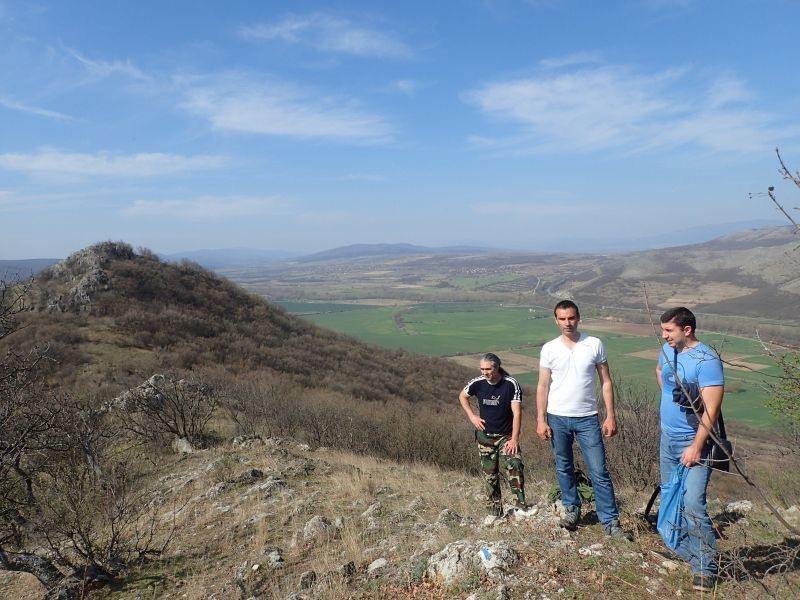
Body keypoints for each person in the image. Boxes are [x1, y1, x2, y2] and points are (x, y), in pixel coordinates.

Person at [536, 300, 631, 540]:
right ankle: (571, 509)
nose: (567, 323)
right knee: (563, 466)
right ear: (556, 321)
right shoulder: (549, 348)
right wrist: (540, 419)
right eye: (562, 318)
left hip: (588, 417)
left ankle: (610, 522)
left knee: (599, 470)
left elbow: (606, 381)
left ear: (578, 318)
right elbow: (543, 385)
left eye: (571, 318)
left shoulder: (594, 344)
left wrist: (611, 415)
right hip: (557, 417)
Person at [656, 307, 724, 592]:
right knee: (671, 496)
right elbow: (660, 372)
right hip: (667, 438)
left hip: (693, 442)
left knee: (693, 503)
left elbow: (712, 410)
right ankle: (682, 549)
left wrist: (696, 446)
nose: (664, 335)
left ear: (687, 330)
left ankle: (705, 567)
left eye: (668, 330)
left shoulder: (706, 360)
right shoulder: (667, 350)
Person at [459, 352, 527, 517]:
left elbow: (517, 412)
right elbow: (462, 396)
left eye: (488, 369)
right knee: (490, 476)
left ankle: (520, 507)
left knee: (515, 464)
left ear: (497, 368)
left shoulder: (510, 384)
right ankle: (494, 512)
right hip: (485, 437)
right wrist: (472, 416)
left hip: (506, 436)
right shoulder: (477, 383)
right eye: (482, 369)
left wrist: (514, 439)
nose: (485, 372)